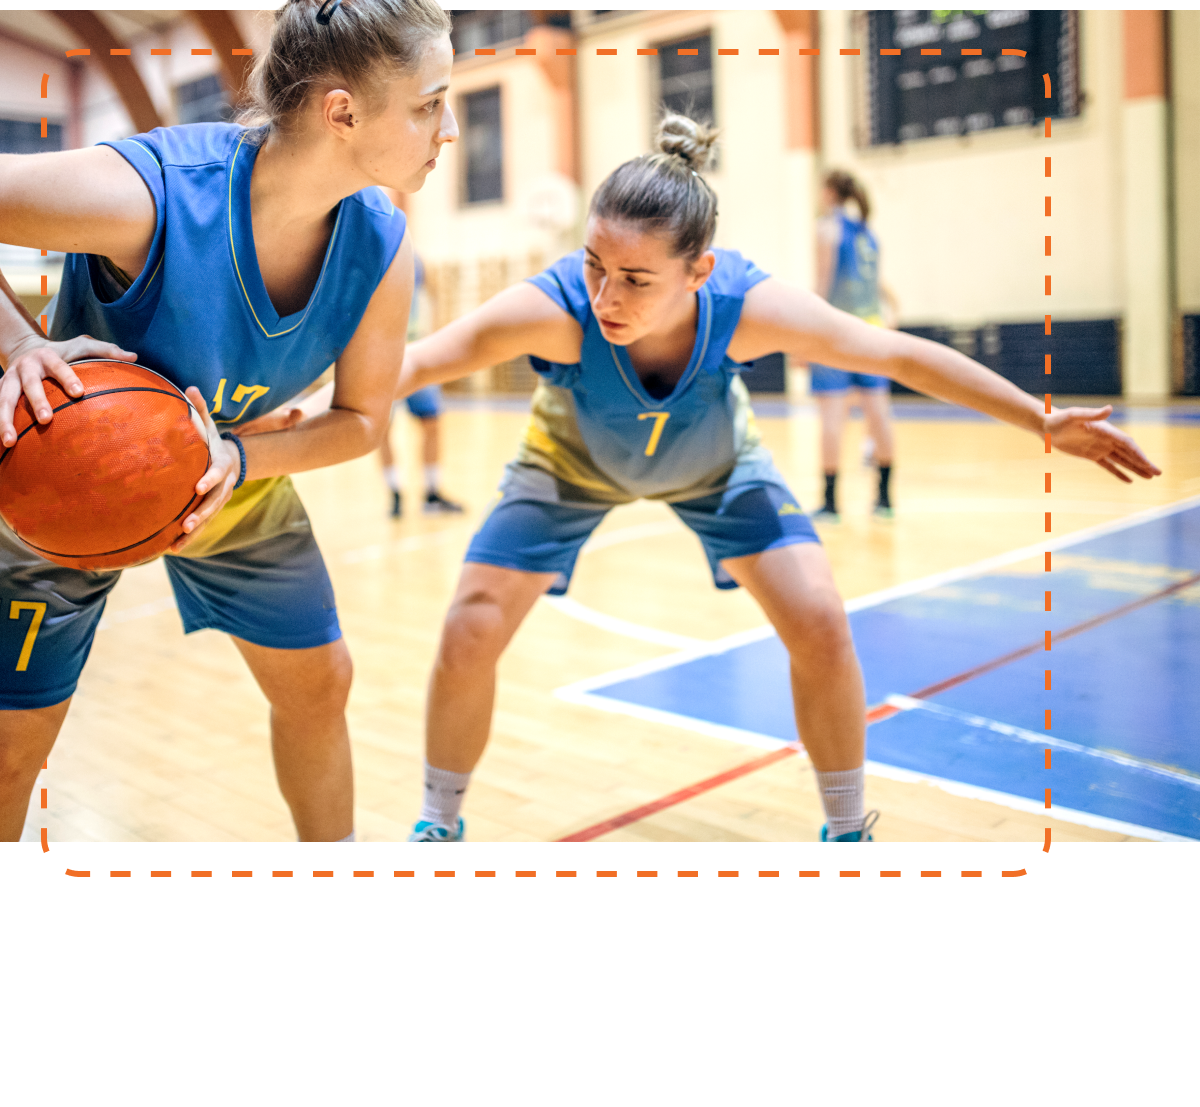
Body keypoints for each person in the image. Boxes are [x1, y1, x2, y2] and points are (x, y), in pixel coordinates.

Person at [281, 112, 1160, 844]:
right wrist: (311, 405)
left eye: (635, 278)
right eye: (595, 265)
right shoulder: (558, 309)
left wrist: (1039, 420)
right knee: (470, 624)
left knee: (820, 618)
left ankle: (847, 831)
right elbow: (419, 360)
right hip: (569, 466)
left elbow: (892, 353)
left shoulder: (743, 305)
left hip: (716, 468)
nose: (606, 295)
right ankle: (439, 824)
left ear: (699, 271)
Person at [0, 0, 456, 844]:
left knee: (321, 684)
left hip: (232, 477)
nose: (447, 131)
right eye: (429, 105)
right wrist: (17, 343)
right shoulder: (156, 194)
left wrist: (237, 457)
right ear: (342, 112)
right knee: (17, 743)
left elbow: (361, 422)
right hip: (70, 473)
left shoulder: (382, 245)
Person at [807, 170, 900, 521]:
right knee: (879, 415)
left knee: (832, 418)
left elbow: (823, 283)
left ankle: (830, 504)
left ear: (830, 193)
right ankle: (885, 499)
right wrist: (892, 315)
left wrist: (805, 333)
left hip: (838, 333)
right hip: (872, 332)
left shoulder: (828, 228)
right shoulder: (868, 233)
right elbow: (876, 285)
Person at [378, 249, 464, 517]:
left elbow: (435, 291)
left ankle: (432, 493)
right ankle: (394, 493)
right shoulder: (368, 254)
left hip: (416, 350)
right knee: (381, 429)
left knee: (432, 422)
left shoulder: (414, 260)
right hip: (380, 355)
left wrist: (435, 332)